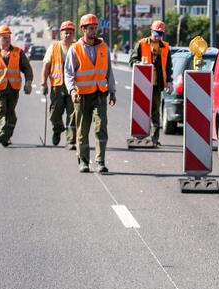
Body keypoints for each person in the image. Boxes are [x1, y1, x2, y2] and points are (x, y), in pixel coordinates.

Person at [64, 14, 117, 173]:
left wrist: (112, 91)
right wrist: (72, 90)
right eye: (91, 28)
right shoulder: (75, 49)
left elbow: (109, 71)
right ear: (83, 30)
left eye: (95, 28)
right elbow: (69, 73)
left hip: (100, 94)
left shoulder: (103, 48)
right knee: (82, 129)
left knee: (101, 127)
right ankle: (84, 161)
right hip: (81, 96)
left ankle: (100, 161)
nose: (94, 31)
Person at [0, 25, 33, 147]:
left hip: (13, 88)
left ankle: (6, 136)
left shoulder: (18, 52)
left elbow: (27, 69)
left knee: (11, 114)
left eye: (8, 37)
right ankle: (2, 133)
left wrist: (28, 82)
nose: (7, 40)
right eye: (4, 38)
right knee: (1, 110)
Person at [129, 20, 173, 146]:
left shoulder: (165, 47)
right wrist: (140, 65)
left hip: (157, 84)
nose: (158, 35)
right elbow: (132, 60)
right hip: (142, 83)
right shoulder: (142, 44)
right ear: (151, 31)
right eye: (156, 32)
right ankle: (139, 137)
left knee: (155, 111)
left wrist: (169, 81)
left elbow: (168, 66)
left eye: (160, 33)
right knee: (141, 108)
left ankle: (155, 138)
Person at [41, 20, 77, 148]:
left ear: (74, 34)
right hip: (58, 86)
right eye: (65, 33)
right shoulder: (54, 47)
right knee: (54, 113)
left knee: (72, 114)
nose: (68, 35)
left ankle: (70, 141)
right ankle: (57, 129)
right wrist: (43, 83)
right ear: (61, 34)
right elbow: (46, 65)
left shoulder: (78, 47)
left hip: (74, 87)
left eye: (70, 33)